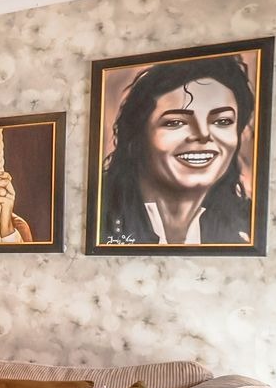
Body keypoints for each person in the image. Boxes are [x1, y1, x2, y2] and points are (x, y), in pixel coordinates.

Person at [97, 55, 256, 246]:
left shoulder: (245, 230)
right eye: (175, 122)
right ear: (136, 137)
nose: (203, 134)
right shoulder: (97, 216)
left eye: (222, 121)